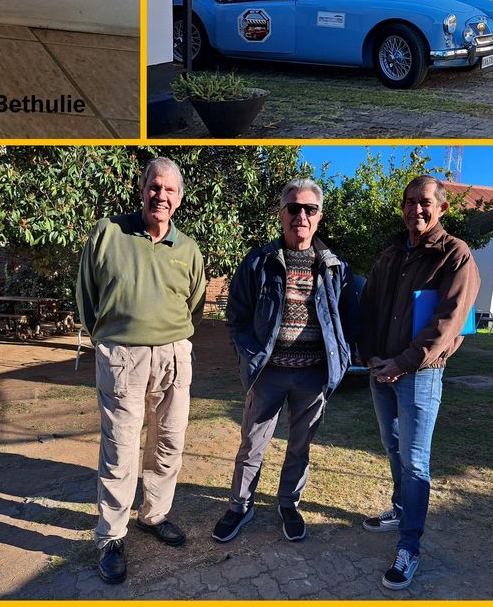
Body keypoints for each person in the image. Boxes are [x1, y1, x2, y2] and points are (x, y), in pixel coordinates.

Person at [74, 156, 206, 585]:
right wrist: (110, 338)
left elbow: (196, 305)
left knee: (169, 442)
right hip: (122, 357)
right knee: (121, 448)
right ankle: (111, 536)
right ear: (142, 188)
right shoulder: (108, 232)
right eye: (154, 186)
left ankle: (154, 514)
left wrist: (170, 340)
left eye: (169, 190)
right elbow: (86, 296)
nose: (160, 196)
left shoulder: (187, 248)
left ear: (180, 198)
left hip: (173, 355)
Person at [355, 175, 481, 591]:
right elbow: (369, 306)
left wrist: (403, 363)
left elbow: (447, 325)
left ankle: (409, 546)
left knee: (416, 461)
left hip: (420, 375)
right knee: (392, 448)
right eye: (409, 202)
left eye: (425, 202)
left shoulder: (455, 256)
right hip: (381, 372)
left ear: (442, 208)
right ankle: (399, 508)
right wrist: (369, 354)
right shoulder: (391, 253)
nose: (416, 210)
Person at [214, 178, 353, 544]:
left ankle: (288, 504)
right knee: (252, 445)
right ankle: (239, 507)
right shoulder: (259, 262)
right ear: (281, 215)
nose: (301, 216)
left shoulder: (335, 266)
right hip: (268, 374)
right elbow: (237, 318)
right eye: (293, 208)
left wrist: (343, 355)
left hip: (312, 376)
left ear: (319, 217)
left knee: (300, 446)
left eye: (309, 209)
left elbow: (347, 318)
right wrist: (250, 353)